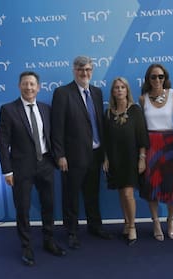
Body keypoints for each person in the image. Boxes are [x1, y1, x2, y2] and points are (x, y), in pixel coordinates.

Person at [0, 71, 66, 266]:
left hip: (45, 164)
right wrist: (7, 171)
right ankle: (26, 247)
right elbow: (3, 143)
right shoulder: (8, 110)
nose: (29, 87)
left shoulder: (46, 108)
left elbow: (53, 137)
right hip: (21, 168)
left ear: (39, 87)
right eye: (25, 84)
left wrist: (58, 157)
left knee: (49, 205)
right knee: (23, 209)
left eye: (32, 84)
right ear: (19, 86)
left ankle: (48, 240)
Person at [51, 55, 113, 250]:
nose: (84, 73)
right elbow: (57, 126)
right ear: (74, 71)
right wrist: (60, 155)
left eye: (87, 70)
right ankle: (72, 232)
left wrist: (104, 154)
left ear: (92, 71)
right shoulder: (62, 93)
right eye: (80, 70)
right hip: (72, 157)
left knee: (92, 194)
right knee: (71, 196)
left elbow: (99, 124)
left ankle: (95, 226)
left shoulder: (96, 92)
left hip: (95, 154)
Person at [102, 77, 149, 246]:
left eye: (122, 87)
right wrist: (106, 158)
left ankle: (132, 226)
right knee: (121, 193)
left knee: (129, 193)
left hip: (131, 158)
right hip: (115, 158)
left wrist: (142, 158)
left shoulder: (135, 110)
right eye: (116, 88)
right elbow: (105, 139)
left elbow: (142, 136)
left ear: (127, 90)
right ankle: (126, 222)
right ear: (113, 92)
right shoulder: (108, 113)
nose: (119, 90)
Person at [139, 64, 173, 241]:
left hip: (169, 144)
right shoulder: (143, 99)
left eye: (160, 77)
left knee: (172, 185)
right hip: (150, 145)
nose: (157, 80)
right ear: (148, 79)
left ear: (165, 78)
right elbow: (140, 128)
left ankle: (171, 221)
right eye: (153, 77)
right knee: (152, 185)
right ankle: (156, 221)